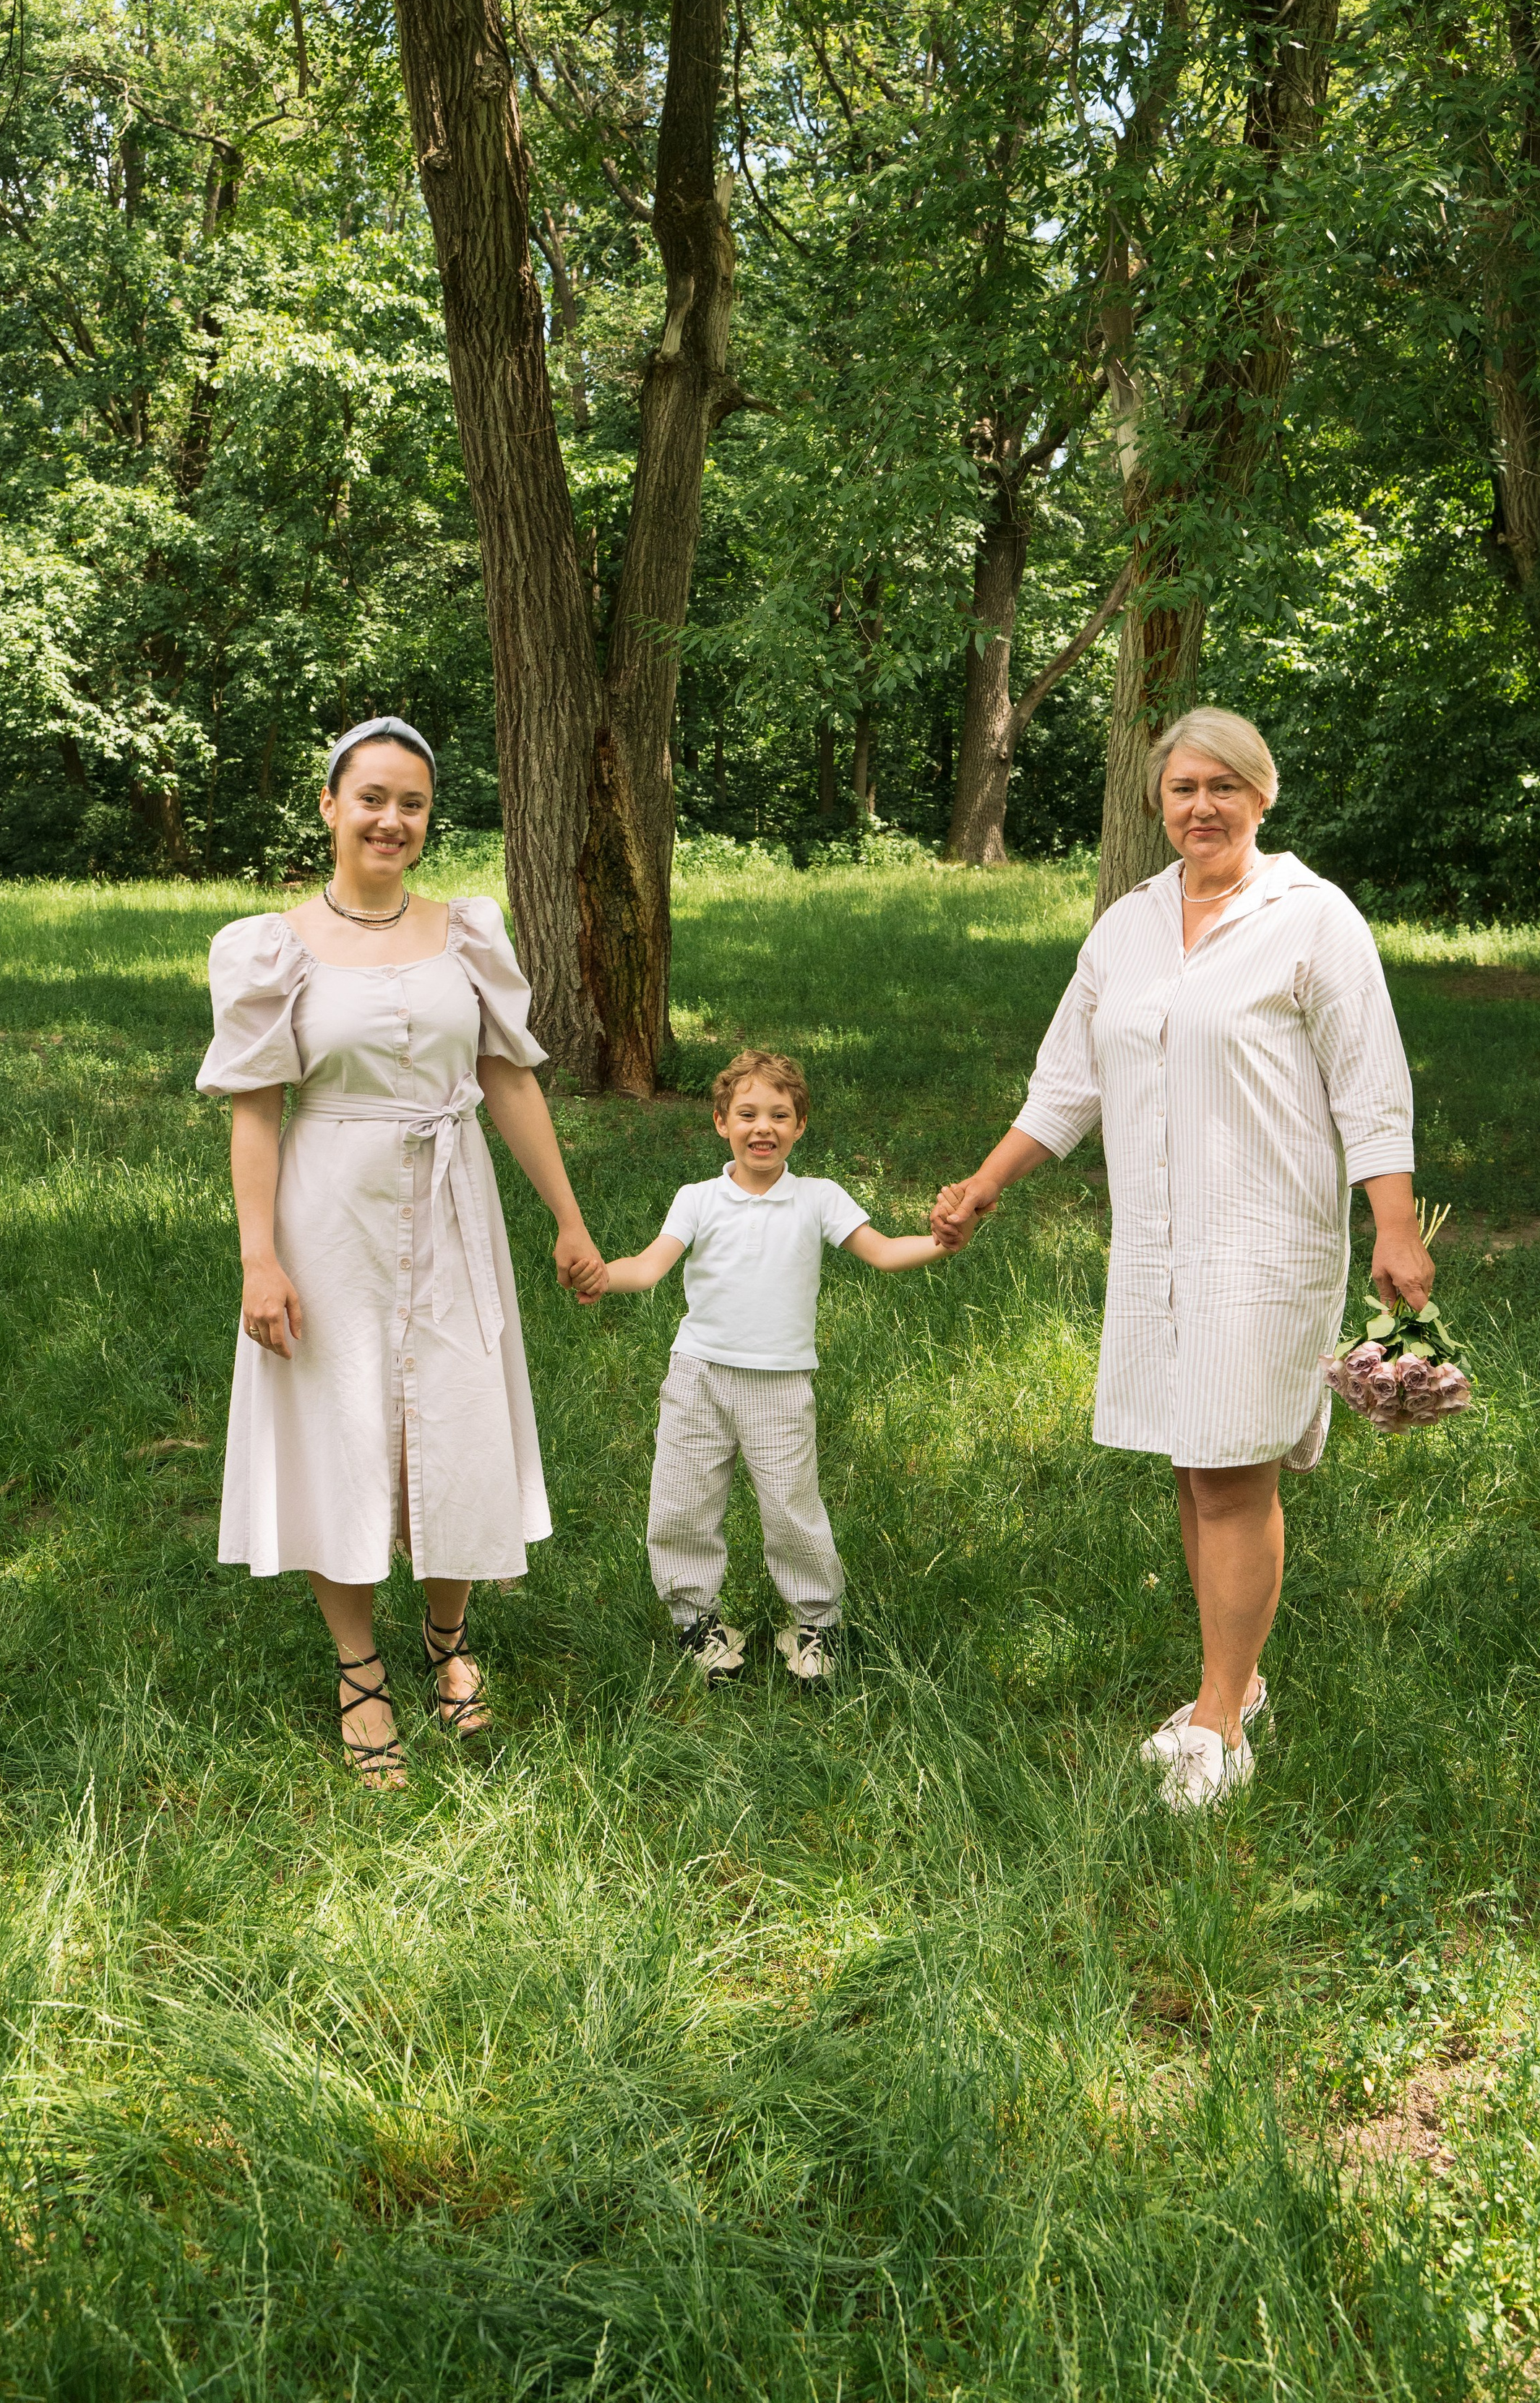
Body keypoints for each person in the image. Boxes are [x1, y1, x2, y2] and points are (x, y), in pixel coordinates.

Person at [930, 707, 1432, 1807]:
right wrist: (985, 1182)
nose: (1199, 807)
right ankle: (1231, 1687)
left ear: (1262, 795)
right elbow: (1067, 1083)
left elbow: (1370, 1083)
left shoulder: (1311, 919)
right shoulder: (1129, 927)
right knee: (1193, 1462)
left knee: (1232, 1466)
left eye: (1222, 787)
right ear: (1157, 805)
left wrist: (1393, 1226)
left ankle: (1220, 1726)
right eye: (1180, 790)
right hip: (1156, 1243)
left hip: (1268, 1239)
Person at [197, 716, 606, 1785]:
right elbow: (256, 1110)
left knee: (458, 1414)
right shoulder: (270, 947)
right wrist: (258, 1257)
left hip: (454, 1198)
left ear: (429, 820)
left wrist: (565, 1216)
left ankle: (450, 1644)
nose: (391, 819)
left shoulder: (466, 932)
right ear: (330, 807)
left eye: (412, 803)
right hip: (330, 1213)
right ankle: (360, 1668)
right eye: (371, 797)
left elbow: (508, 1077)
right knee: (346, 1425)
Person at [580, 1047, 963, 1685]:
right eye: (748, 1113)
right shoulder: (697, 1199)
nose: (764, 1127)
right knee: (681, 1502)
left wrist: (944, 1241)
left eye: (779, 1115)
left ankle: (813, 1623)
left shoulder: (818, 1198)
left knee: (791, 1507)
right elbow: (648, 1267)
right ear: (720, 1122)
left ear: (800, 1126)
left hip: (780, 1385)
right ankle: (696, 1621)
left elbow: (886, 1253)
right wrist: (601, 1274)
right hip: (697, 1376)